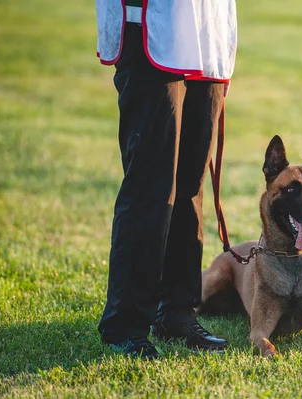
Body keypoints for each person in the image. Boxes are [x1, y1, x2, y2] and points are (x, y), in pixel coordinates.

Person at [95, 0, 237, 359]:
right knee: (151, 186)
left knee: (191, 185)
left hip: (207, 31)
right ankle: (124, 325)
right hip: (152, 26)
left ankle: (176, 312)